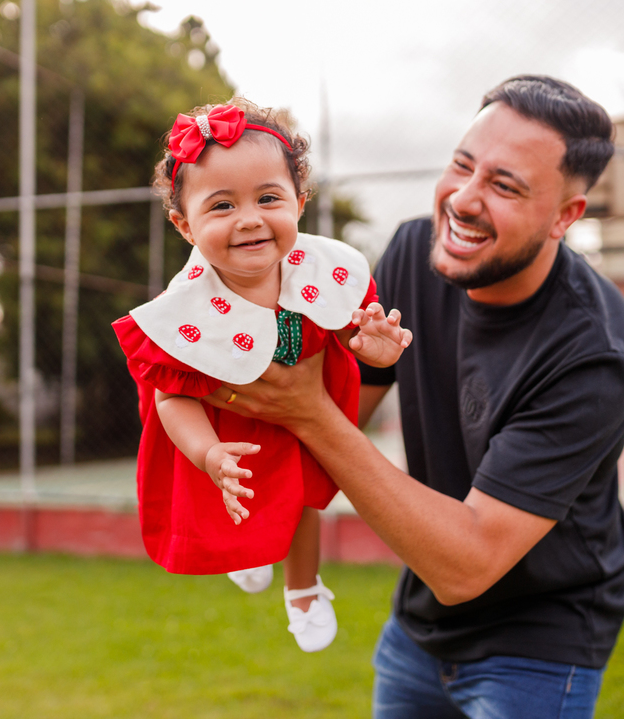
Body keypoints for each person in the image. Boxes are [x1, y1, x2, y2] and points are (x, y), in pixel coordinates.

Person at [205, 76, 624, 717]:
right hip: (418, 626)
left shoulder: (592, 355)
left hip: (538, 644)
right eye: (463, 166)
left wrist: (306, 410)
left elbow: (466, 564)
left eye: (504, 185)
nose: (463, 200)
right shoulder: (416, 249)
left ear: (565, 217)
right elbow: (327, 419)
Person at [112, 98, 412, 653]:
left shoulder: (325, 270)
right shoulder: (185, 308)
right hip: (232, 431)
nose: (249, 218)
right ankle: (244, 552)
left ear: (299, 202)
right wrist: (208, 453)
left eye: (268, 198)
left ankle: (303, 587)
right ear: (184, 225)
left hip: (306, 415)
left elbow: (353, 337)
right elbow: (171, 398)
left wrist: (379, 348)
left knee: (303, 501)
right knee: (240, 498)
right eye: (222, 205)